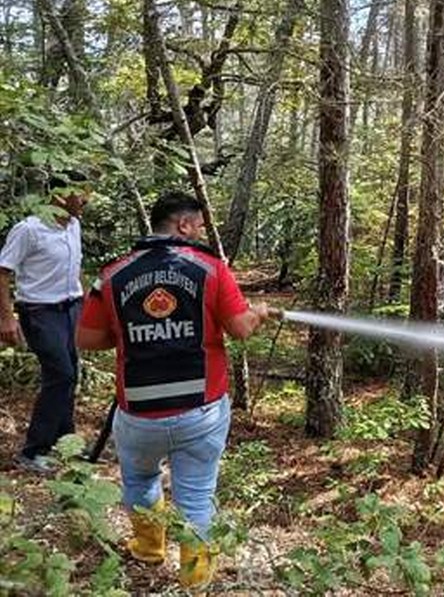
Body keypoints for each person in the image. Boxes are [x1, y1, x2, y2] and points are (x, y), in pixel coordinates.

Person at [76, 192, 272, 589]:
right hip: (200, 410)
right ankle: (194, 580)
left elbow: (87, 337)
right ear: (183, 225)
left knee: (139, 480)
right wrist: (260, 314)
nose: (201, 232)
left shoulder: (112, 274)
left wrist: (134, 334)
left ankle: (148, 549)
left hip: (138, 412)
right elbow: (240, 329)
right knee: (196, 497)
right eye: (198, 225)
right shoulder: (212, 269)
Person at [0, 173, 91, 474]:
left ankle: (66, 444)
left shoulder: (74, 225)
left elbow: (72, 269)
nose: (86, 199)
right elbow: (3, 272)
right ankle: (33, 450)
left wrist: (87, 302)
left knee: (70, 373)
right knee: (60, 374)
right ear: (59, 195)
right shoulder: (30, 229)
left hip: (71, 309)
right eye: (80, 193)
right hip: (39, 311)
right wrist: (6, 317)